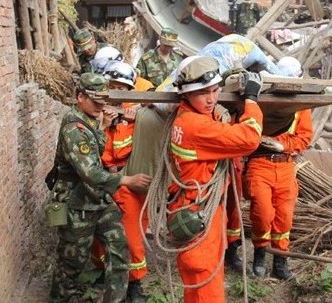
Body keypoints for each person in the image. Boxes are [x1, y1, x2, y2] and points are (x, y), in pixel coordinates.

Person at [48, 73, 152, 302]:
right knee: (72, 263)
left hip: (99, 201)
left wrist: (103, 125)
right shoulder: (74, 128)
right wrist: (127, 181)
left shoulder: (91, 120)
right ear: (80, 97)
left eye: (102, 102)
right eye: (95, 102)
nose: (100, 107)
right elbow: (91, 173)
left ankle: (115, 298)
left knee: (120, 250)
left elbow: (98, 151)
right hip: (77, 205)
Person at [168, 56, 264, 302]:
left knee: (196, 288)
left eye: (214, 91)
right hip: (200, 218)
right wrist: (251, 100)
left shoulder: (184, 116)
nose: (211, 99)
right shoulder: (195, 126)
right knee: (207, 288)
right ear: (186, 95)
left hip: (194, 212)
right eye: (203, 93)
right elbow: (249, 138)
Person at [244, 57, 313, 279]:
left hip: (285, 166)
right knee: (262, 214)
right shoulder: (261, 100)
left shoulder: (302, 107)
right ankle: (260, 255)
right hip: (260, 164)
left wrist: (284, 145)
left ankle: (280, 263)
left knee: (284, 218)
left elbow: (304, 138)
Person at [89, 62, 149, 302]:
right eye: (113, 87)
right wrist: (103, 124)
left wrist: (136, 115)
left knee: (132, 238)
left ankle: (135, 285)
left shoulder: (139, 118)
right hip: (101, 182)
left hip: (128, 184)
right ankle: (105, 272)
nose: (117, 93)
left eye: (123, 89)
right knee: (98, 236)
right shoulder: (93, 117)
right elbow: (91, 153)